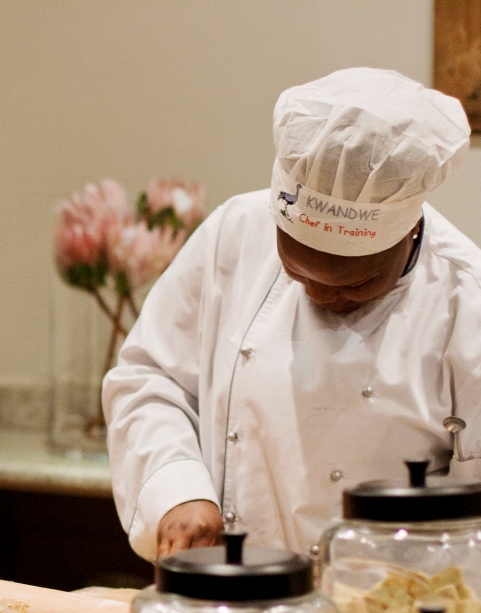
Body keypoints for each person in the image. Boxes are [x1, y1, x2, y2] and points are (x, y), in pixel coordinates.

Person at [103, 67, 478, 562]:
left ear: (408, 230)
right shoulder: (232, 235)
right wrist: (177, 491)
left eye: (354, 284)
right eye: (296, 272)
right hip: (230, 600)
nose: (321, 296)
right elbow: (149, 379)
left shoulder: (463, 298)